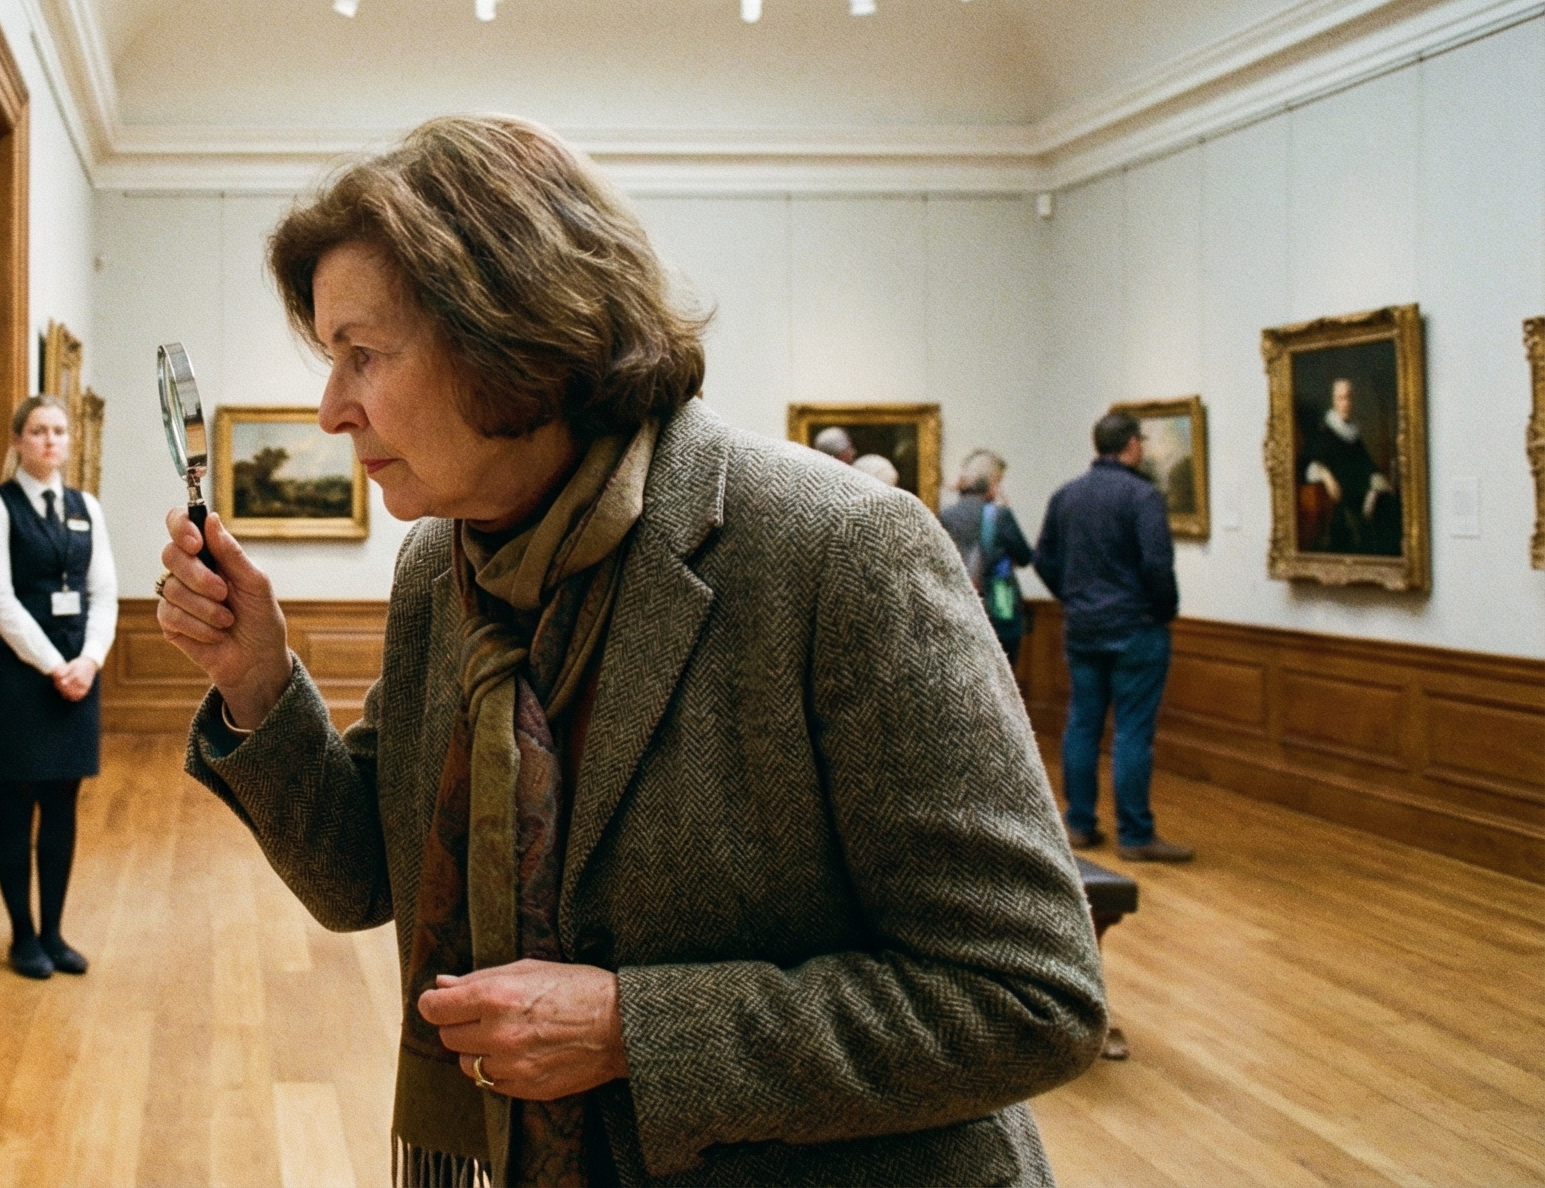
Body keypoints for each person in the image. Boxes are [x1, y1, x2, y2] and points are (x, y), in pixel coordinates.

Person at [156, 116, 1102, 1186]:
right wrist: (255, 682)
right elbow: (361, 877)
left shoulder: (836, 551)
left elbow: (1030, 995)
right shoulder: (442, 568)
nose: (332, 410)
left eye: (363, 355)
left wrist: (632, 1030)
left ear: (511, 335)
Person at [0, 395, 117, 979]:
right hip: (19, 677)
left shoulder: (85, 508)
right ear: (17, 442)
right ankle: (21, 935)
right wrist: (56, 664)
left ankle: (54, 932)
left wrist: (91, 659)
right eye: (38, 431)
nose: (51, 440)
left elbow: (102, 589)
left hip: (79, 673)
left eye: (59, 431)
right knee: (17, 802)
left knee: (62, 803)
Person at [1035, 412, 1188, 863]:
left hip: (1084, 629)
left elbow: (1044, 558)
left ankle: (1079, 824)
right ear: (1132, 446)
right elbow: (1157, 565)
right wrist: (1162, 611)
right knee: (1132, 734)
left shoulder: (1067, 496)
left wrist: (1072, 596)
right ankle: (1136, 834)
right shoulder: (1142, 497)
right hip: (1134, 629)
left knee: (1082, 724)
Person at [941, 450, 1034, 668]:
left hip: (960, 607)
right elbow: (1025, 556)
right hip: (1000, 607)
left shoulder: (946, 515)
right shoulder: (1000, 515)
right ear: (994, 482)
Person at [1298, 376, 1400, 554]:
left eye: (1348, 397)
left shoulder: (1353, 433)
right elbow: (1307, 464)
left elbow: (1366, 464)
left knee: (1389, 502)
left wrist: (1376, 486)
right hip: (1339, 501)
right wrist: (1326, 476)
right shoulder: (1325, 432)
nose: (1345, 403)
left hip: (1360, 493)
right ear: (1334, 401)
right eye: (1340, 398)